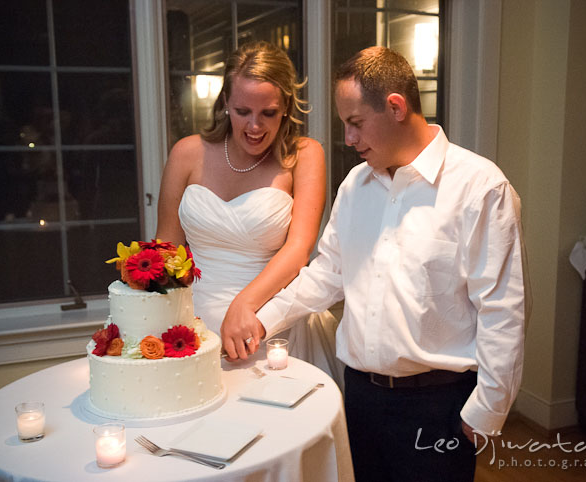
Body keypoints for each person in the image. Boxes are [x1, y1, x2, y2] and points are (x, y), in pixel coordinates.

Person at [228, 46, 529, 481]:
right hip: (359, 398)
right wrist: (261, 320)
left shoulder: (480, 188)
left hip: (438, 403)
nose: (349, 139)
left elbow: (505, 310)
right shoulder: (356, 185)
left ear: (395, 107)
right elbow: (327, 275)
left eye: (355, 123)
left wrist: (486, 412)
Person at [156, 41, 343, 384]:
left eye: (268, 113)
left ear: (286, 107)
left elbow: (299, 249)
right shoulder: (187, 153)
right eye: (243, 111)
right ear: (225, 101)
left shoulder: (304, 155)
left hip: (270, 320)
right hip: (192, 326)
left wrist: (245, 306)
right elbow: (165, 250)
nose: (255, 126)